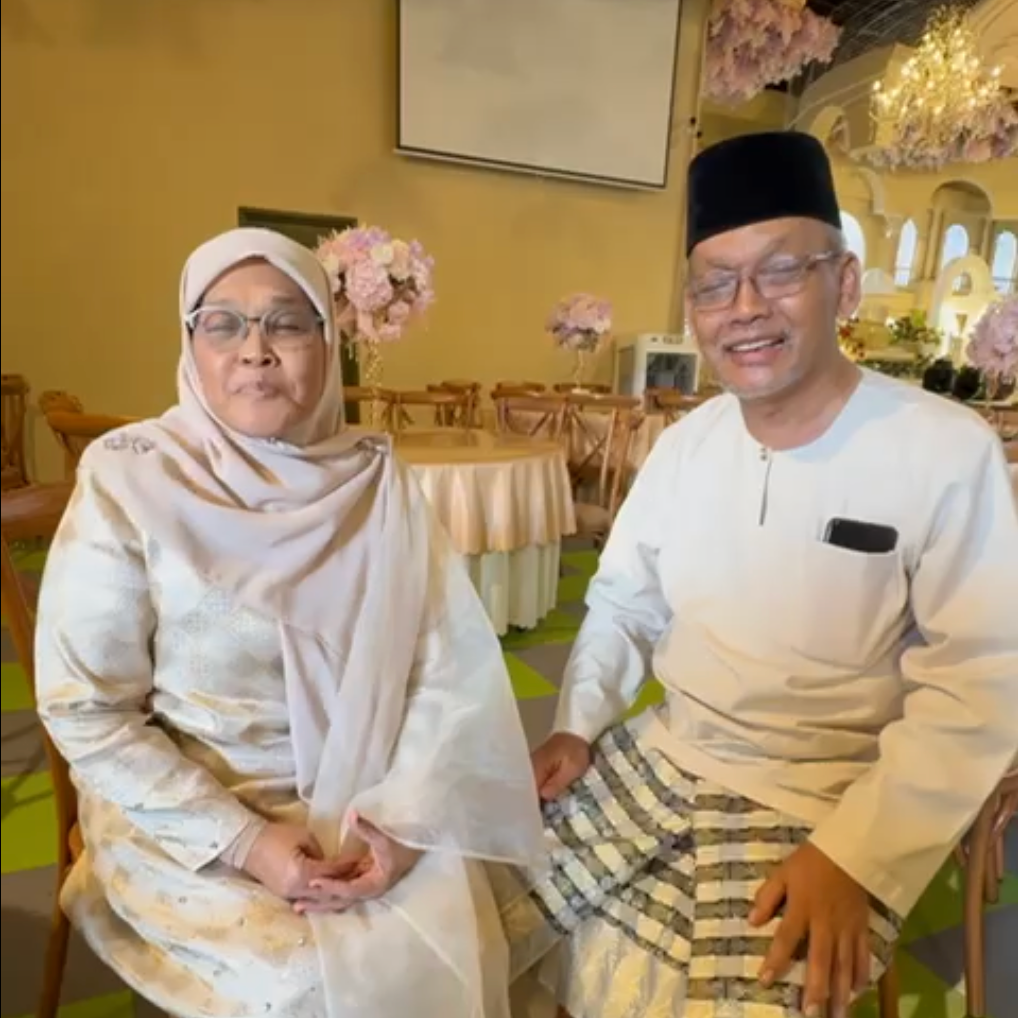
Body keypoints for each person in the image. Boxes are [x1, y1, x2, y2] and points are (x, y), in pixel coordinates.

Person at [498, 132, 1018, 1018]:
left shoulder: (944, 450)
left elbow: (979, 681)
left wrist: (858, 855)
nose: (744, 307)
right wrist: (578, 725)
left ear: (843, 283)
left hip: (834, 790)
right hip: (669, 748)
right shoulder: (685, 445)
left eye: (780, 271)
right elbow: (622, 602)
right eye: (715, 282)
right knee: (479, 904)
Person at [35, 228, 544, 1018]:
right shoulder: (130, 479)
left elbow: (445, 676)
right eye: (223, 323)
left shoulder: (378, 481)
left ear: (327, 343)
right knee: (317, 986)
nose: (255, 350)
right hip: (186, 806)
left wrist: (405, 825)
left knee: (478, 927)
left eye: (286, 322)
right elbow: (86, 709)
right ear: (190, 344)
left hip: (371, 798)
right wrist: (246, 842)